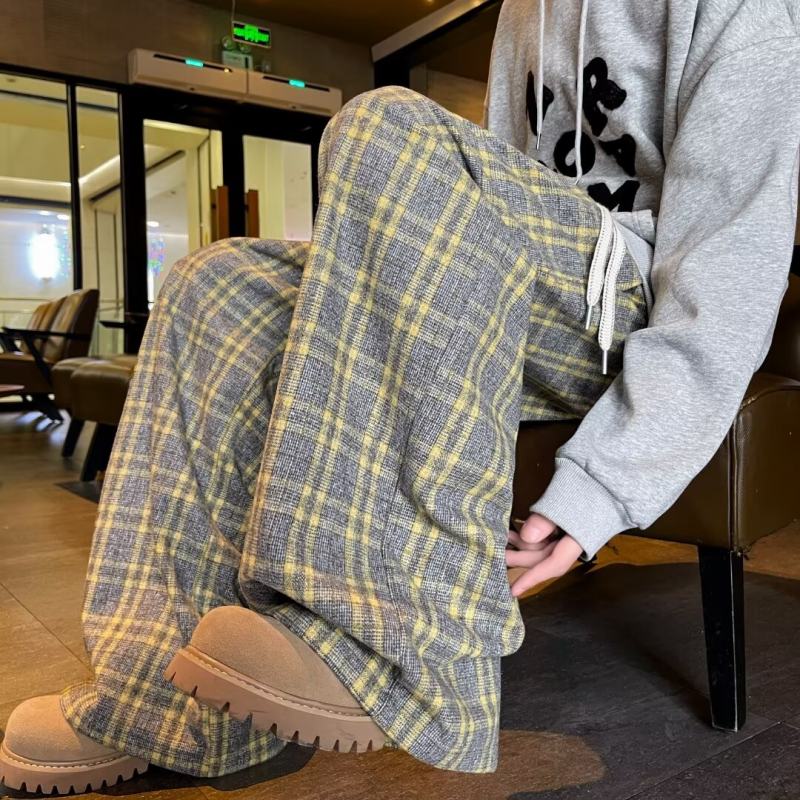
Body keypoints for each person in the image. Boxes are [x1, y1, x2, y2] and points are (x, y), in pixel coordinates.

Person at [1, 0, 798, 794]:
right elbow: (498, 186)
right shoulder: (526, 11)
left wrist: (607, 482)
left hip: (629, 307)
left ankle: (391, 637)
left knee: (385, 124)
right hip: (527, 287)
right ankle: (159, 708)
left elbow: (729, 279)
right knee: (220, 285)